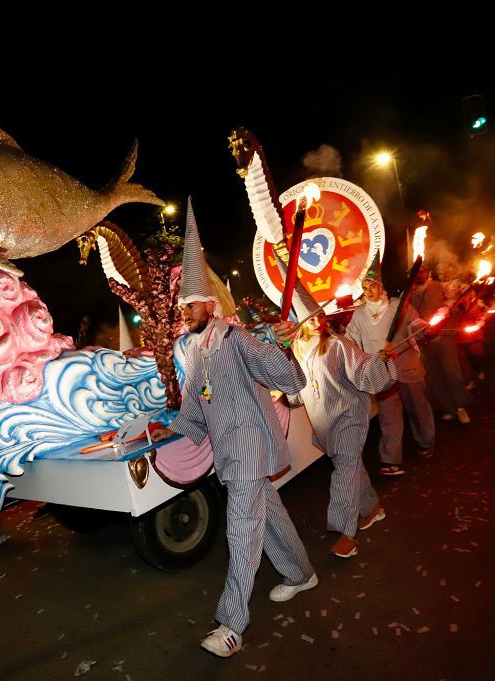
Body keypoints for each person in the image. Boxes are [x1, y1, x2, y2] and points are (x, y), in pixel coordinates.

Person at [149, 200, 316, 659]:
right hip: (231, 454)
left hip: (249, 447)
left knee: (241, 530)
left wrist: (283, 346)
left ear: (210, 303)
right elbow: (198, 410)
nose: (185, 310)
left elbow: (291, 381)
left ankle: (231, 625)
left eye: (191, 303)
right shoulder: (196, 351)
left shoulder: (236, 337)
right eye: (181, 305)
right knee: (272, 519)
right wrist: (170, 431)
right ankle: (302, 574)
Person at [277, 299, 398, 560]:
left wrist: (381, 361)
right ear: (299, 323)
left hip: (349, 417)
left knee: (344, 470)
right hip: (325, 423)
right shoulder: (297, 351)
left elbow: (364, 372)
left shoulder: (338, 344)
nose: (316, 321)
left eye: (319, 315)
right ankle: (373, 508)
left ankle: (346, 534)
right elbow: (296, 395)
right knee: (351, 466)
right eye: (309, 317)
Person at [345, 269, 436, 476]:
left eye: (373, 286)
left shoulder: (398, 306)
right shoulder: (359, 314)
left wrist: (425, 329)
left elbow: (417, 324)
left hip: (407, 366)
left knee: (417, 407)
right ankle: (390, 459)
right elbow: (350, 342)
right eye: (365, 288)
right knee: (388, 415)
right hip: (381, 372)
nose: (369, 292)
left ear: (381, 286)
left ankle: (425, 442)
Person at [410, 266, 473, 424]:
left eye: (423, 270)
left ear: (428, 272)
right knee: (434, 376)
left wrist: (449, 307)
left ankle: (460, 407)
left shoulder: (439, 286)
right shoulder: (408, 293)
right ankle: (448, 408)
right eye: (417, 271)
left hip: (445, 336)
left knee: (450, 371)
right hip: (424, 340)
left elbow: (457, 303)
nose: (421, 274)